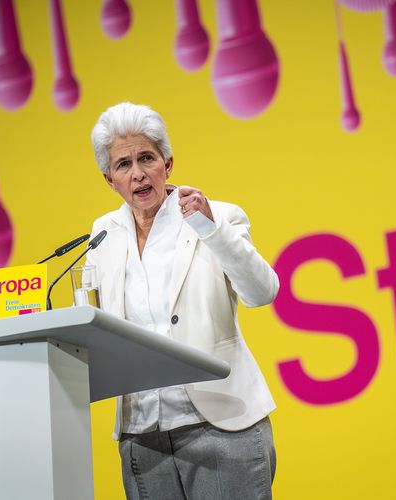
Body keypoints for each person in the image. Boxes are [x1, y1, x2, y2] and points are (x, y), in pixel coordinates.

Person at [85, 102, 278, 500]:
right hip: (143, 436)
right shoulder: (102, 235)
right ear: (110, 180)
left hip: (223, 425)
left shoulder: (216, 217)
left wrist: (213, 229)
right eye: (123, 165)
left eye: (146, 158)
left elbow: (263, 292)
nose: (137, 173)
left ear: (167, 163)